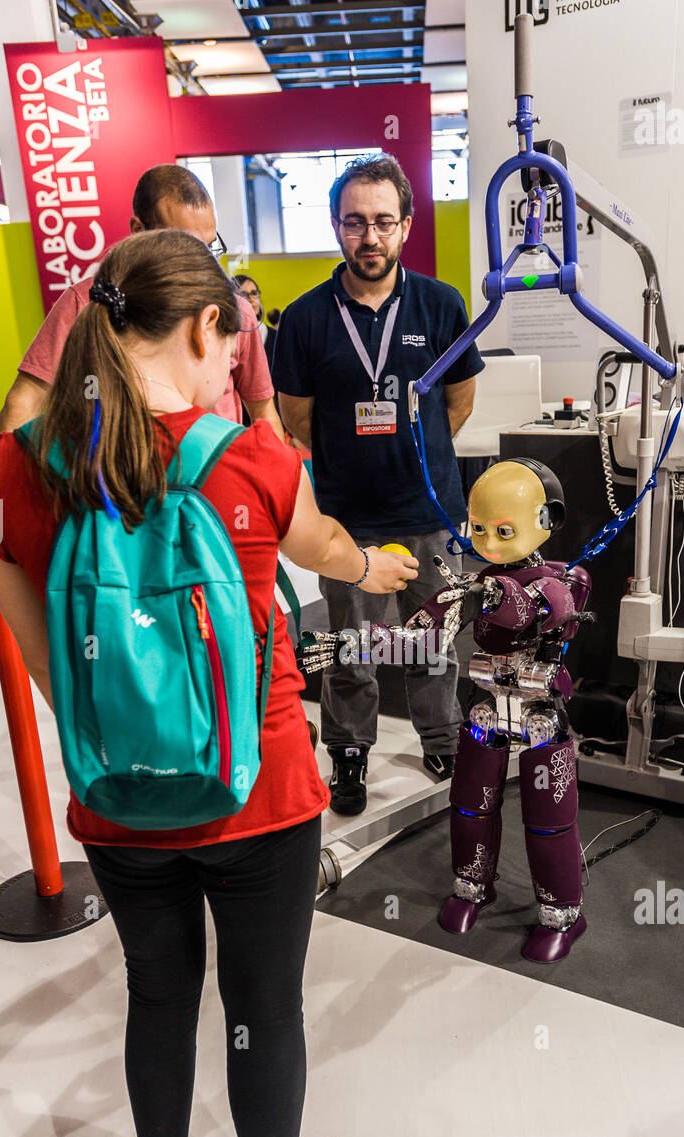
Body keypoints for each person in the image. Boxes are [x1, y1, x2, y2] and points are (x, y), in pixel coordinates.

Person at [0, 229, 415, 1137]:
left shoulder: (21, 472)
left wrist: (102, 724)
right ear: (210, 326)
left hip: (119, 807)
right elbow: (327, 550)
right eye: (235, 342)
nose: (236, 367)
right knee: (266, 1005)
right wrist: (375, 563)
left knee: (158, 993)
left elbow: (11, 588)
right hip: (260, 799)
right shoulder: (257, 460)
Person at [273, 154, 484, 816]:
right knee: (353, 652)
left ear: (406, 225)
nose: (370, 237)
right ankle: (351, 753)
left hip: (430, 512)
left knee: (434, 642)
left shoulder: (442, 304)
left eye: (383, 222)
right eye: (355, 222)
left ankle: (442, 739)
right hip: (348, 524)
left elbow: (459, 404)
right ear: (337, 226)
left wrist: (409, 455)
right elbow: (296, 420)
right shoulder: (305, 319)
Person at [0, 164, 283, 441]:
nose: (200, 262)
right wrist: (6, 476)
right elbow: (25, 401)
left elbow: (263, 409)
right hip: (113, 482)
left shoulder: (235, 310)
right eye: (183, 245)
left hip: (213, 480)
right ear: (138, 230)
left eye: (208, 246)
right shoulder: (88, 303)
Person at [234, 273, 277, 370]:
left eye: (254, 293)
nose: (251, 299)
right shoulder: (226, 338)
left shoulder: (276, 337)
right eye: (243, 294)